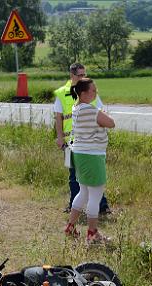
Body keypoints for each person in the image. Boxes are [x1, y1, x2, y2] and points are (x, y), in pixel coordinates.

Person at [63, 78, 116, 244]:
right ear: (84, 93)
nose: (96, 93)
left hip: (80, 154)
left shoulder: (76, 107)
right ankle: (92, 234)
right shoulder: (91, 110)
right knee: (95, 196)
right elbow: (111, 123)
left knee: (83, 192)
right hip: (92, 156)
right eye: (93, 90)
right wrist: (104, 113)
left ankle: (70, 227)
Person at [54, 62, 110, 215]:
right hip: (69, 142)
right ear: (71, 75)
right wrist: (59, 137)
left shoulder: (90, 92)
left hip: (90, 142)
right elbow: (58, 118)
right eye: (80, 75)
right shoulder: (62, 93)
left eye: (84, 74)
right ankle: (73, 205)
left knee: (95, 176)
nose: (83, 77)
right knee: (73, 176)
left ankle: (102, 206)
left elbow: (101, 112)